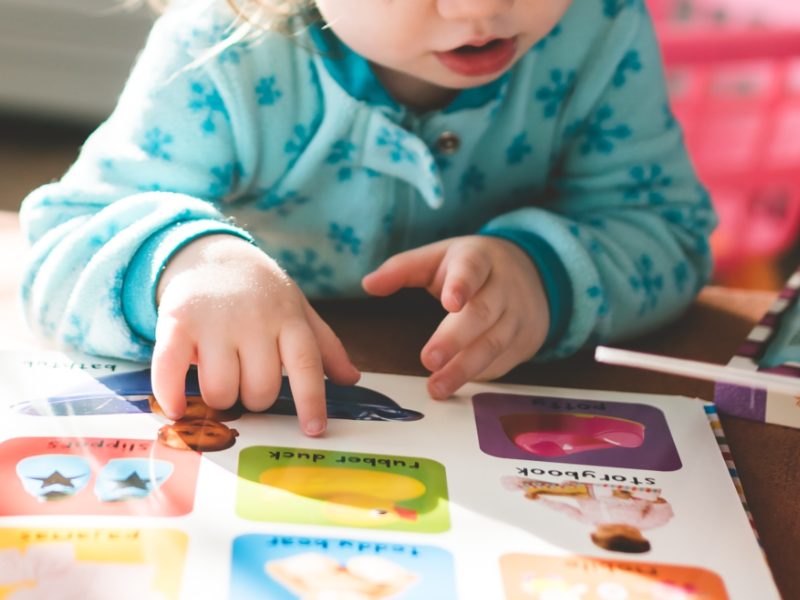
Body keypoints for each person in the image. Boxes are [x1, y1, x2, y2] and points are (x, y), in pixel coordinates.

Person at [19, 0, 716, 436]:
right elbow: (61, 243)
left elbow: (666, 230)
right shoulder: (220, 50)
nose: (483, 6)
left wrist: (544, 272)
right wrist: (188, 260)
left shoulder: (601, 27)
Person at [502, 477, 673, 553]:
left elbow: (562, 508)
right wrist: (657, 501)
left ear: (594, 533)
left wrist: (539, 499)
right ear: (641, 535)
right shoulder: (648, 523)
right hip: (624, 486)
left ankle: (520, 482)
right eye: (628, 531)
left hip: (584, 487)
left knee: (556, 485)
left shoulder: (586, 519)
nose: (618, 527)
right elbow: (663, 511)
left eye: (609, 530)